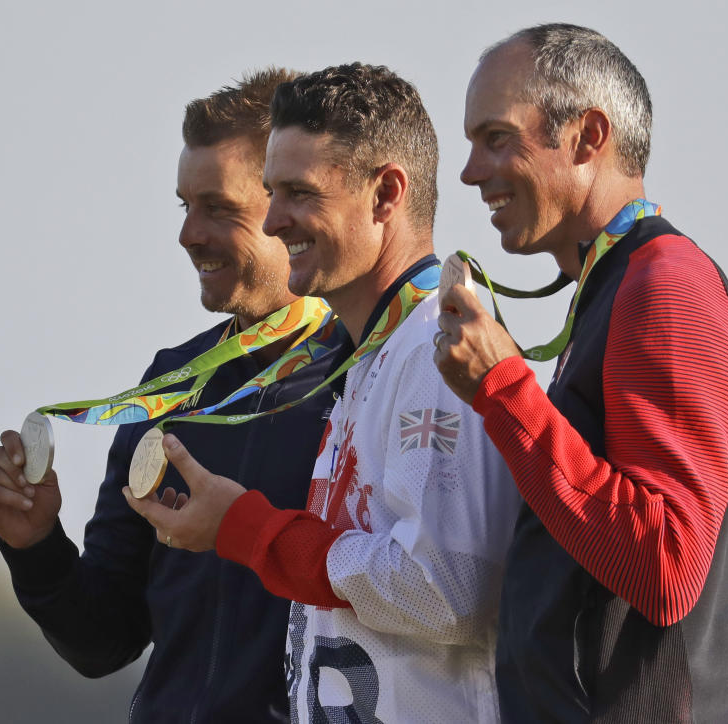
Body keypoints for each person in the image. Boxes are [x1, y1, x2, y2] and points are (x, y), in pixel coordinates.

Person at [125, 63, 522, 723]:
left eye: (297, 193)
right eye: (269, 192)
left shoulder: (437, 345)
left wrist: (248, 529)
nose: (275, 221)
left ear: (385, 194)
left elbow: (445, 590)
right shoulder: (370, 352)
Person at [433, 23, 728, 723]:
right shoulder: (616, 285)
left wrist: (502, 390)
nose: (470, 171)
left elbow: (665, 568)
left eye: (496, 137)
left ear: (587, 137)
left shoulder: (666, 286)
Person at [0, 68, 343, 723]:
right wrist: (36, 547)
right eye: (184, 206)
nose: (188, 234)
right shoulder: (173, 381)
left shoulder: (370, 374)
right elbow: (104, 640)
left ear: (292, 207)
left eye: (219, 208)